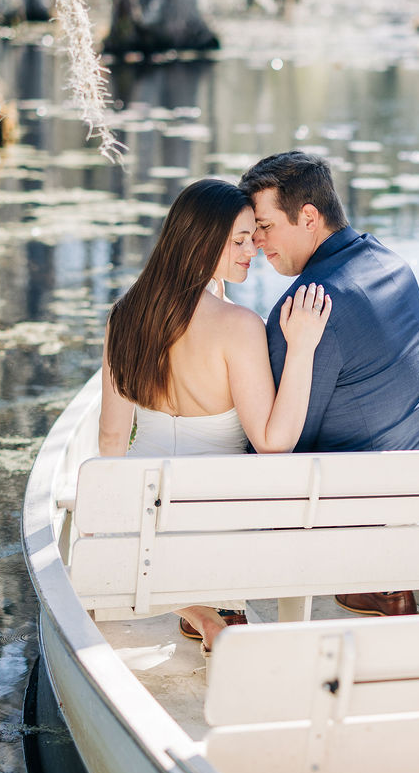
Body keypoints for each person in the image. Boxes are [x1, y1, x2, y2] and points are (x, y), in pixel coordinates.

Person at [98, 176, 332, 649]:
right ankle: (210, 610)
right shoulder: (239, 326)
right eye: (240, 240)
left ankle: (194, 610)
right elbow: (273, 440)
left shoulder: (125, 315)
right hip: (220, 522)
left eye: (255, 235)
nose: (254, 249)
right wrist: (302, 346)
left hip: (148, 519)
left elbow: (109, 441)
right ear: (203, 244)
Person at [241, 149, 419, 617]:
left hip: (371, 520)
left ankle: (380, 585)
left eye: (265, 225)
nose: (258, 242)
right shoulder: (392, 264)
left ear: (307, 216)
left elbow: (280, 445)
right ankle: (386, 585)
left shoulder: (307, 307)